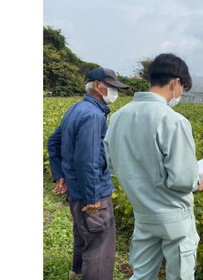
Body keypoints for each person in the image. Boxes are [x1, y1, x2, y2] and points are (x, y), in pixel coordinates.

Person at [104, 53, 203, 280]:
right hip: (174, 216)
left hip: (143, 213)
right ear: (175, 83)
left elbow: (110, 163)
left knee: (141, 274)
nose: (180, 93)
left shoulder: (118, 117)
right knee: (180, 275)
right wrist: (197, 179)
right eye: (183, 87)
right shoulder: (173, 121)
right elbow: (182, 179)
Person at [47, 67, 129, 280]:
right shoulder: (93, 115)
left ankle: (77, 271)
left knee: (83, 235)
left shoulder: (77, 108)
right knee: (100, 247)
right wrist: (93, 196)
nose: (114, 92)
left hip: (75, 189)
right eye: (111, 87)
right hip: (93, 192)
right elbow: (89, 160)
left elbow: (53, 141)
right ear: (97, 86)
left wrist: (60, 175)